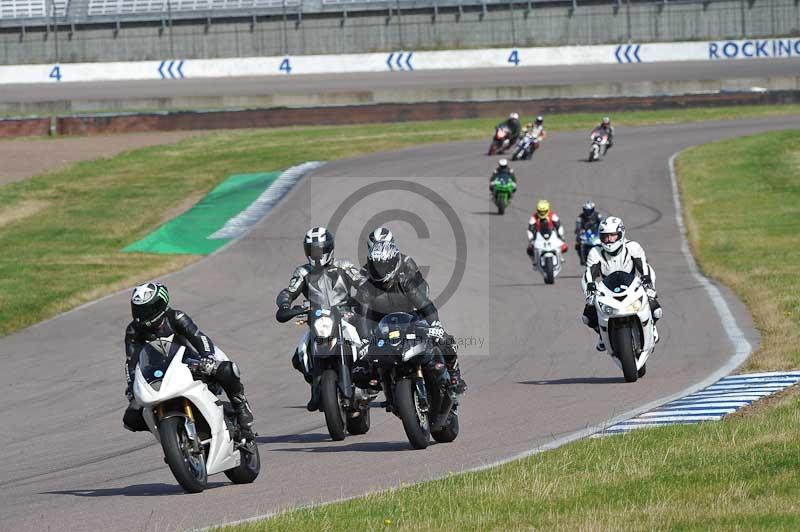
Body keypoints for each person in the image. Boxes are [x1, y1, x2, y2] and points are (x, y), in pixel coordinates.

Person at [123, 282, 255, 435]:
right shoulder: (133, 330)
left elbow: (200, 338)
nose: (141, 314)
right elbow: (130, 362)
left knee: (225, 369)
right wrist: (132, 384)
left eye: (146, 309)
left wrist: (207, 358)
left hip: (191, 363)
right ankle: (173, 435)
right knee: (131, 419)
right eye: (138, 309)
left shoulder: (176, 317)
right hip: (160, 373)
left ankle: (240, 406)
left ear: (159, 305)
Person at [360, 227, 466, 393]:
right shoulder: (366, 275)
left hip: (410, 312)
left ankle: (454, 373)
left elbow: (422, 296)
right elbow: (362, 310)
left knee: (442, 339)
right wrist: (365, 340)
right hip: (381, 320)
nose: (380, 269)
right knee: (362, 359)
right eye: (377, 265)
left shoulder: (406, 268)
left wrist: (435, 325)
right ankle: (375, 378)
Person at [275, 226, 364, 410]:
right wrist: (285, 304)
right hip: (318, 321)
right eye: (312, 250)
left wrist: (366, 296)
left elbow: (362, 282)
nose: (316, 254)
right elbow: (289, 291)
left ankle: (366, 379)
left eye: (320, 250)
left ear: (329, 249)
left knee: (366, 345)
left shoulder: (344, 266)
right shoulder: (303, 272)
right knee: (299, 357)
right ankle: (317, 387)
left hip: (346, 317)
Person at [580, 216, 662, 351]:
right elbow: (589, 273)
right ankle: (602, 334)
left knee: (657, 310)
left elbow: (644, 267)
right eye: (605, 237)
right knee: (587, 317)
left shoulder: (633, 247)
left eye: (612, 236)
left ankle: (652, 328)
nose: (609, 240)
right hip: (608, 292)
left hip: (633, 288)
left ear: (621, 233)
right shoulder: (595, 252)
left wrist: (648, 282)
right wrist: (590, 288)